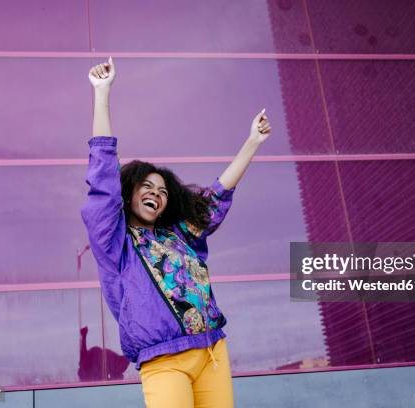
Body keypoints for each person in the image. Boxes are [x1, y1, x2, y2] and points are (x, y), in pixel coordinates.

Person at [81, 57, 272, 408]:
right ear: (129, 192)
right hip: (163, 359)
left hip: (212, 350)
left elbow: (214, 200)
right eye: (147, 186)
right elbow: (103, 178)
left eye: (163, 190)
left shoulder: (179, 236)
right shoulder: (116, 243)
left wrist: (252, 143)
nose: (156, 193)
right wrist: (102, 93)